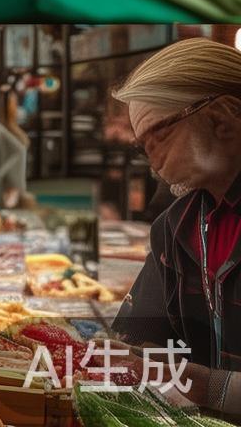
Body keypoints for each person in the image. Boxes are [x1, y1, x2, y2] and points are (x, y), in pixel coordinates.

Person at [111, 38, 241, 408]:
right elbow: (136, 341)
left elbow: (191, 380)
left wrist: (210, 386)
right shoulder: (176, 226)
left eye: (160, 135)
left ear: (223, 117)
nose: (152, 162)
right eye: (142, 146)